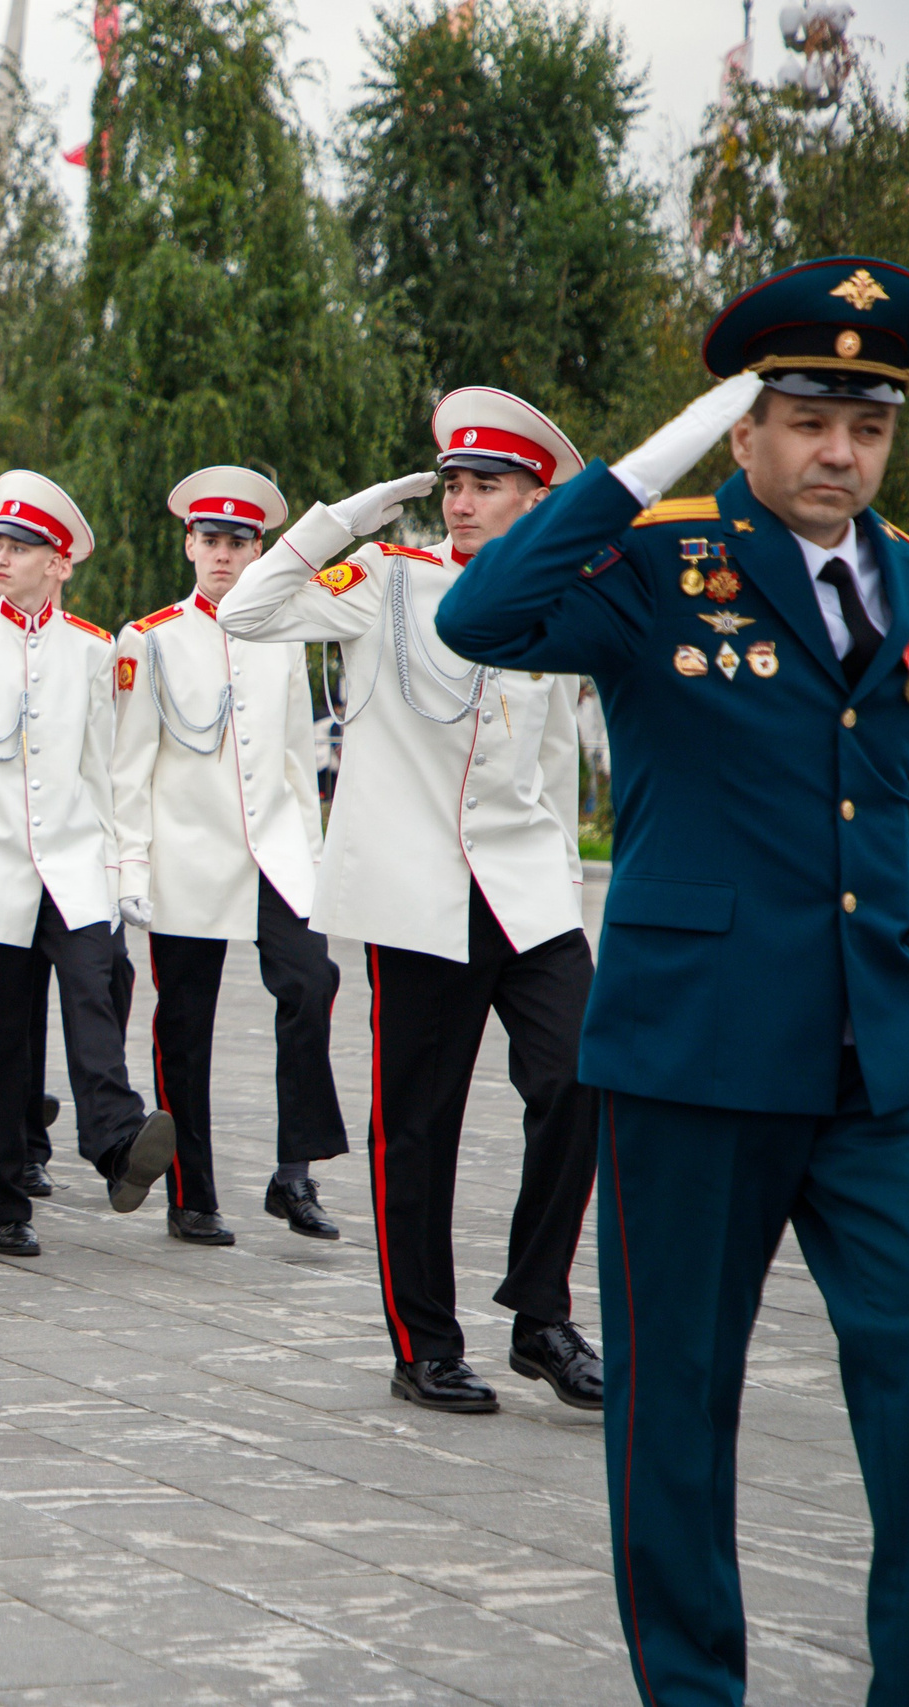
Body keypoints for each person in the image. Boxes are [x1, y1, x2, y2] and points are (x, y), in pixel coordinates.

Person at [434, 253, 909, 1707]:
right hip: (691, 1060)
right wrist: (638, 463)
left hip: (878, 1075)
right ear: (746, 426)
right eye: (805, 419)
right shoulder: (659, 564)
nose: (840, 452)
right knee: (676, 1417)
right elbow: (480, 617)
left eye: (870, 425)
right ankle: (693, 1690)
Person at [220, 388, 602, 1415]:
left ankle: (540, 1314)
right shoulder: (388, 581)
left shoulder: (560, 604)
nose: (466, 503)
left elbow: (556, 758)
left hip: (526, 893)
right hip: (420, 894)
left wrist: (564, 879)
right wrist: (345, 520)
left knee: (582, 1078)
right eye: (457, 485)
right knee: (419, 1126)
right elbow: (242, 609)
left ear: (537, 498)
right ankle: (422, 1342)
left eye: (490, 486)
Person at [0, 470, 174, 1257]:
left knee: (97, 990)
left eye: (22, 546)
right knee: (5, 1047)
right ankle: (8, 1204)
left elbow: (105, 771)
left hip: (74, 864)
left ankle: (115, 1139)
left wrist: (122, 875)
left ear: (60, 562)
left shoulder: (95, 650)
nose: (2, 558)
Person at [111, 468, 347, 1245]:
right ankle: (192, 1191)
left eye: (238, 542)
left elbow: (293, 757)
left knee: (312, 982)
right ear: (187, 543)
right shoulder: (150, 639)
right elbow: (129, 768)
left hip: (273, 850)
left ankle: (295, 1170)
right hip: (188, 855)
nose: (222, 555)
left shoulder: (281, 631)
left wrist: (311, 862)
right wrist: (132, 868)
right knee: (184, 1024)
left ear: (260, 550)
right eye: (209, 540)